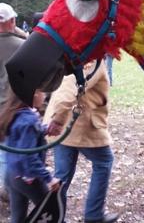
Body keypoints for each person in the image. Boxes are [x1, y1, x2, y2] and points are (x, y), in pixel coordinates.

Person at [45, 60, 119, 223]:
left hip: (66, 125)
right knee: (104, 161)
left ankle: (56, 217)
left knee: (61, 176)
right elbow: (70, 86)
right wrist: (59, 119)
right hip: (79, 125)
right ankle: (93, 214)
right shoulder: (92, 59)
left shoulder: (77, 53)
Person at [0, 88, 60, 223]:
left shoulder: (15, 112)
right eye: (42, 92)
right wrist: (48, 178)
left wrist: (44, 130)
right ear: (34, 95)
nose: (45, 96)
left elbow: (20, 136)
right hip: (29, 179)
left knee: (18, 218)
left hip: (13, 175)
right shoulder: (29, 120)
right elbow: (28, 156)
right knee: (54, 213)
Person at [0, 3, 26, 202]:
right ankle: (6, 189)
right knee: (7, 152)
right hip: (10, 108)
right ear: (11, 21)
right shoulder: (21, 46)